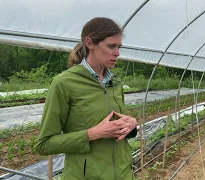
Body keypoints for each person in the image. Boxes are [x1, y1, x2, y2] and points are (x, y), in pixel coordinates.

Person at [36, 17, 138, 180]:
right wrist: (92, 133)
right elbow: (44, 144)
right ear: (90, 43)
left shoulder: (115, 82)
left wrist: (131, 125)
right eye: (111, 46)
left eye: (119, 47)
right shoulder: (64, 83)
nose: (117, 53)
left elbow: (119, 126)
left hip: (123, 173)